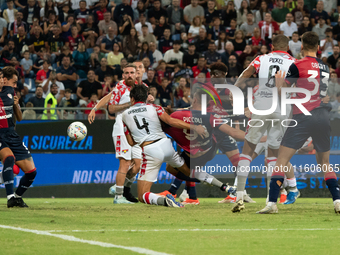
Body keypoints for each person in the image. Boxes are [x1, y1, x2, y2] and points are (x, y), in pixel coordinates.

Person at [257, 31, 340, 214]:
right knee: (325, 163)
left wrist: (279, 83)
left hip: (303, 116)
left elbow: (283, 94)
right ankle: (337, 201)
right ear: (318, 47)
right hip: (323, 117)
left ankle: (271, 203)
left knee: (281, 161)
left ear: (301, 47)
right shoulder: (325, 67)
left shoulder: (297, 65)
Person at [231, 35, 297, 213]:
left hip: (261, 106)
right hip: (282, 108)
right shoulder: (293, 61)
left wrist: (235, 89)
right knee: (274, 155)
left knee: (247, 150)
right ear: (288, 47)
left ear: (273, 46)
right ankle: (270, 202)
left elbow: (246, 73)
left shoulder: (262, 58)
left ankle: (238, 196)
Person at [121, 85, 203, 207]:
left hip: (150, 150)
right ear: (145, 97)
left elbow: (131, 142)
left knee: (142, 195)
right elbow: (171, 121)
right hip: (166, 145)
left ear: (132, 99)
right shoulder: (155, 107)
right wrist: (194, 127)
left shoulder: (125, 115)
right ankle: (221, 185)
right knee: (188, 172)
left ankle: (165, 200)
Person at [0, 66, 37, 208]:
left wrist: (16, 105)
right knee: (9, 159)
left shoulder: (11, 93)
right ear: (5, 80)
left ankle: (17, 197)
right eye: (14, 82)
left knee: (31, 172)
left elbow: (20, 118)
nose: (16, 85)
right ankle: (10, 198)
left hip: (12, 135)